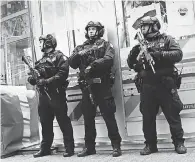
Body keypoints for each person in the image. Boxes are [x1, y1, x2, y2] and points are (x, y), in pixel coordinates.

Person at [127, 16, 187, 155]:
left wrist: (160, 54)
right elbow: (131, 64)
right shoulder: (140, 44)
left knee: (172, 114)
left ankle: (179, 142)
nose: (142, 29)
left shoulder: (167, 39)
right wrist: (133, 54)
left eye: (145, 26)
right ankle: (150, 145)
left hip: (165, 83)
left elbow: (178, 54)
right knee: (147, 117)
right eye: (141, 27)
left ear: (154, 26)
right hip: (147, 85)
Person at [69, 21, 122, 157]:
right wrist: (78, 55)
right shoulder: (81, 47)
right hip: (87, 87)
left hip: (102, 85)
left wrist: (93, 65)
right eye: (89, 29)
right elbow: (72, 63)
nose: (91, 31)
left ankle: (116, 146)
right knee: (88, 118)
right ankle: (89, 147)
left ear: (99, 31)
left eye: (94, 29)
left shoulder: (105, 44)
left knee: (109, 116)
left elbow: (109, 59)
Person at [27, 34, 74, 158]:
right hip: (43, 96)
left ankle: (69, 148)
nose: (39, 44)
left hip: (57, 94)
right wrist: (33, 78)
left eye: (41, 42)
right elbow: (34, 79)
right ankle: (45, 148)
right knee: (45, 123)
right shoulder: (40, 61)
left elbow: (62, 74)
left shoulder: (60, 57)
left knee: (63, 121)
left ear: (48, 43)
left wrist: (46, 81)